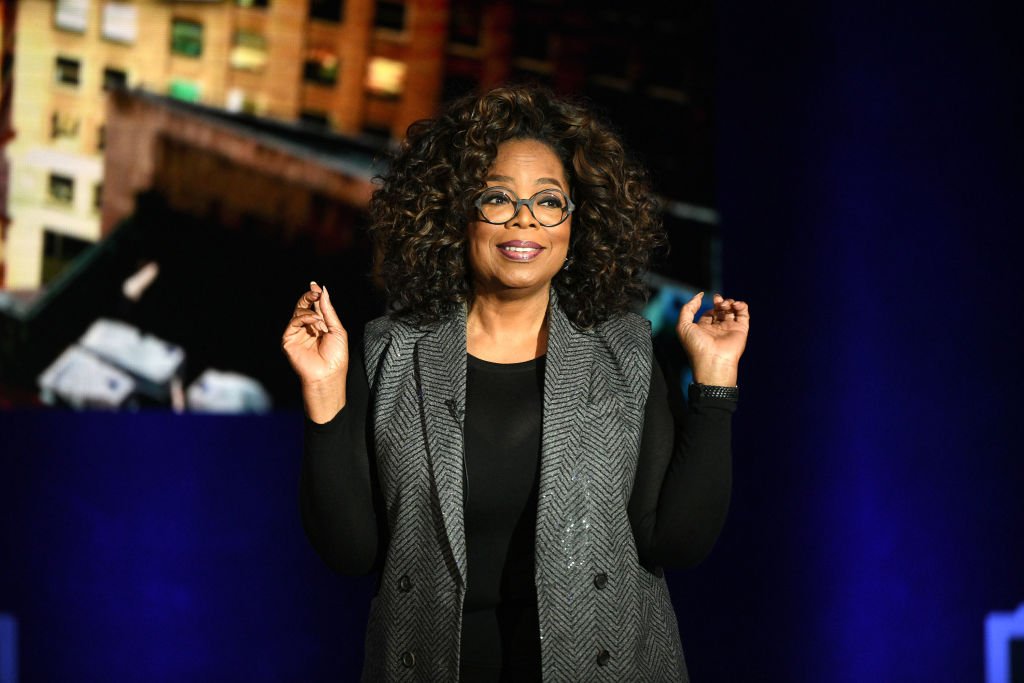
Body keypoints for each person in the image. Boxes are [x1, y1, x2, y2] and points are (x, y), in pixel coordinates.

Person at [281, 84, 750, 682]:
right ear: (456, 214)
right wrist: (324, 391)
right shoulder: (391, 348)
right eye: (497, 198)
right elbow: (350, 553)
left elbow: (676, 544)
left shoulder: (623, 348)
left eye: (549, 200)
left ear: (577, 221)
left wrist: (714, 382)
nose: (525, 218)